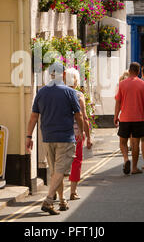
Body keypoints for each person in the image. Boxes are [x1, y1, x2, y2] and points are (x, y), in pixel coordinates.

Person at [26, 62, 85, 215]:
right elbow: (78, 116)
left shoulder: (41, 92)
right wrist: (81, 132)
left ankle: (62, 201)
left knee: (54, 172)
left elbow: (34, 116)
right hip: (65, 137)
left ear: (50, 75)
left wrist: (28, 136)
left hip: (47, 137)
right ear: (64, 75)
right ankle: (49, 199)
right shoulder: (70, 92)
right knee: (59, 171)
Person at [114, 62, 144, 175]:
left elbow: (118, 102)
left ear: (129, 70)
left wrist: (116, 116)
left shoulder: (122, 84)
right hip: (138, 118)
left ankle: (126, 159)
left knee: (122, 142)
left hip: (125, 118)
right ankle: (134, 168)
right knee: (135, 143)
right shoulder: (143, 84)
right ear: (138, 71)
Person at [65, 68, 92, 201]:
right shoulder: (79, 95)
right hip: (76, 133)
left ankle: (56, 194)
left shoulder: (61, 94)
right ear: (76, 80)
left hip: (62, 133)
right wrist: (88, 136)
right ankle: (73, 192)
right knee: (76, 161)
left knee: (61, 162)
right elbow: (84, 117)